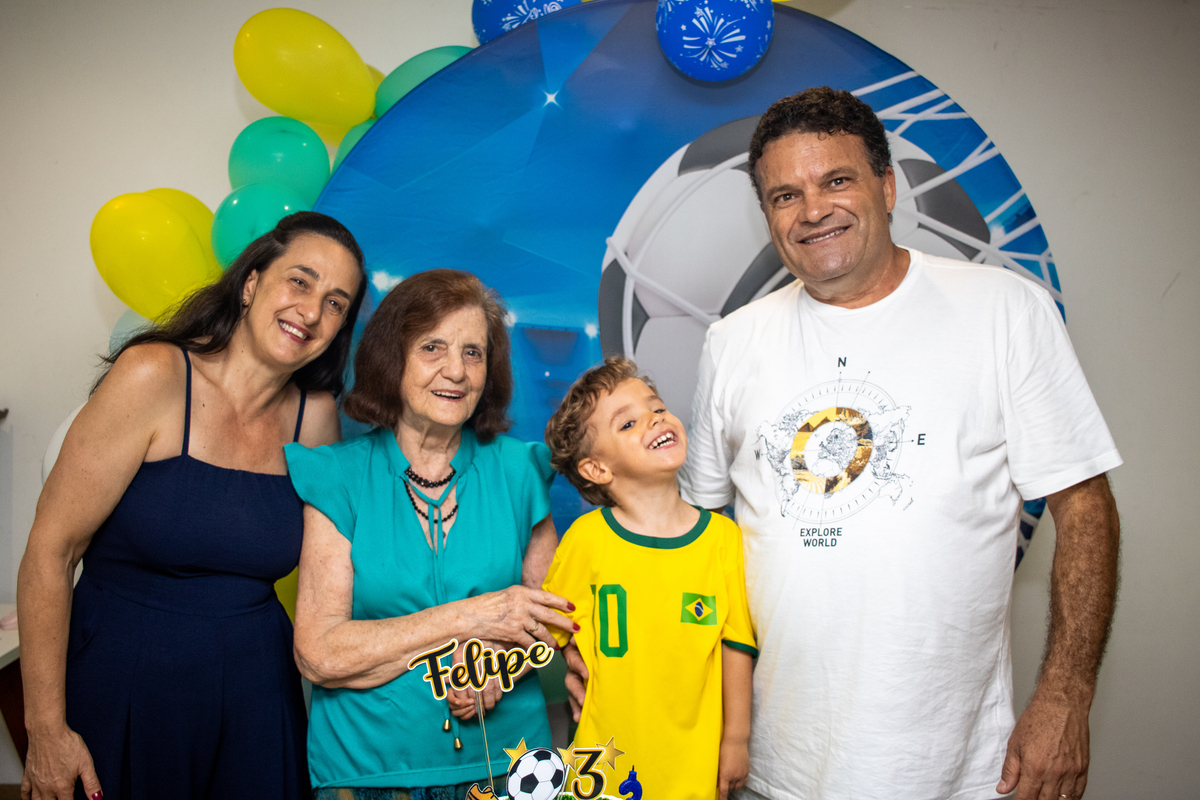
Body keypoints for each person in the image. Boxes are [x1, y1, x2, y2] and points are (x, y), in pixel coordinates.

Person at [663, 86, 1120, 800]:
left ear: (887, 186)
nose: (812, 210)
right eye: (785, 196)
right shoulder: (733, 341)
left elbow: (1086, 506)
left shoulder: (1004, 310)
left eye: (835, 181)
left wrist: (1066, 698)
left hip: (955, 769)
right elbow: (691, 537)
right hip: (774, 768)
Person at [17, 211, 368, 800]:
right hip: (123, 687)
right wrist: (46, 729)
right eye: (299, 281)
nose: (311, 312)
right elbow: (50, 553)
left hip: (257, 703)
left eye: (336, 303)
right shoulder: (153, 374)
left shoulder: (315, 418)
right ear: (251, 283)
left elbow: (342, 578)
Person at [285, 268, 576, 797]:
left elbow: (554, 623)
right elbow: (320, 654)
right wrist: (473, 618)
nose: (456, 371)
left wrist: (500, 667)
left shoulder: (520, 470)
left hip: (511, 765)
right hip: (370, 771)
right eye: (432, 347)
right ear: (391, 359)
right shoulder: (338, 476)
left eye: (473, 353)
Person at [542, 357, 756, 800]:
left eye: (656, 407)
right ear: (597, 469)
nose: (655, 418)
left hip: (693, 769)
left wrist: (736, 739)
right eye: (628, 423)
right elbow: (546, 628)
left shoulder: (722, 539)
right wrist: (566, 660)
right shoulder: (586, 540)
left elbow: (735, 645)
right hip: (601, 770)